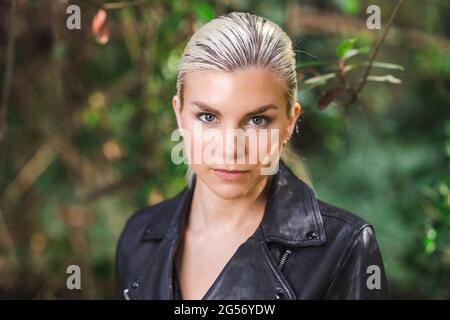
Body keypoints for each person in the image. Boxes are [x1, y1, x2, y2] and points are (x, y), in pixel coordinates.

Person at [116, 12, 389, 300]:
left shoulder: (343, 249)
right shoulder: (138, 239)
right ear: (180, 116)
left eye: (257, 120)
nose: (231, 148)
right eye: (208, 116)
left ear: (290, 122)